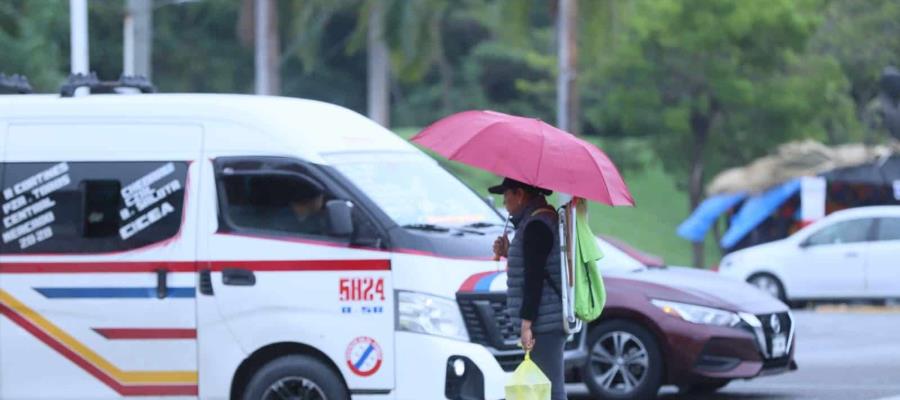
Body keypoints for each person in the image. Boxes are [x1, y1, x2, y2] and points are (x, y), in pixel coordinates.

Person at [490, 177, 567, 400]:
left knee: (552, 390)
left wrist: (526, 325)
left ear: (520, 194)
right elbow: (534, 266)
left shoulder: (536, 225)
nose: (504, 202)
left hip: (544, 322)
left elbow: (534, 280)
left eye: (506, 196)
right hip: (546, 319)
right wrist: (509, 252)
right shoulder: (538, 220)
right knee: (546, 389)